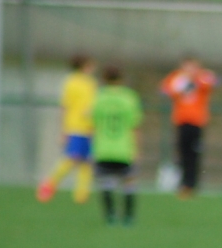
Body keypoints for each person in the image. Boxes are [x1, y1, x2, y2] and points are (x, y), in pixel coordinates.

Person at [35, 55, 96, 204]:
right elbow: (65, 106)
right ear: (84, 65)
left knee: (87, 161)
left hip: (89, 127)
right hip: (75, 126)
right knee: (72, 158)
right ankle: (49, 183)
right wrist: (63, 130)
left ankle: (81, 195)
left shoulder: (89, 82)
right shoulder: (72, 82)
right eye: (90, 64)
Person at [90, 66, 142, 226]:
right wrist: (137, 149)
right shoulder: (130, 98)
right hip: (124, 148)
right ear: (122, 80)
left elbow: (93, 124)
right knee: (129, 183)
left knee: (106, 183)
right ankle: (128, 217)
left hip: (103, 148)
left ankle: (110, 216)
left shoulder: (98, 97)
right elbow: (135, 126)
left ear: (104, 79)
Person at [159, 56, 218, 198]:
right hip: (181, 121)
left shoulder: (202, 77)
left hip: (197, 122)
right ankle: (183, 183)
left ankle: (192, 184)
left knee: (194, 154)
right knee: (181, 153)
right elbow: (164, 90)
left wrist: (196, 79)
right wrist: (181, 85)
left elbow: (213, 81)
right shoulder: (177, 78)